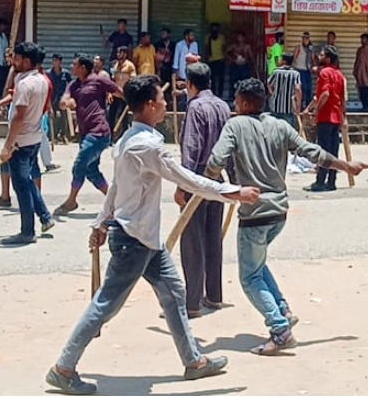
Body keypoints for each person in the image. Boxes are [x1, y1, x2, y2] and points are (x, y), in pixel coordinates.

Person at [43, 75, 258, 395]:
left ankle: (193, 361)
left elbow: (116, 187)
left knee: (174, 295)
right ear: (148, 105)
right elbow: (187, 179)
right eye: (160, 99)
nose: (164, 104)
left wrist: (102, 221)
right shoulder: (147, 145)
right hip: (133, 240)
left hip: (144, 238)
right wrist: (232, 191)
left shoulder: (129, 139)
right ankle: (64, 367)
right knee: (105, 306)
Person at [205, 76, 368, 355]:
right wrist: (346, 166)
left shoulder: (235, 125)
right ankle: (282, 308)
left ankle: (279, 329)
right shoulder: (280, 126)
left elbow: (215, 161)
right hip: (279, 213)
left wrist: (210, 184)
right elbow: (312, 152)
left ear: (243, 103)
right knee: (257, 265)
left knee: (249, 277)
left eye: (236, 101)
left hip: (254, 214)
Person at [176, 62, 233, 320]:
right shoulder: (223, 106)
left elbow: (192, 148)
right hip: (218, 180)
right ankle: (214, 295)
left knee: (192, 241)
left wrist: (183, 185)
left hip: (198, 178)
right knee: (213, 238)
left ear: (190, 84)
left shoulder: (195, 107)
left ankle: (192, 303)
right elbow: (231, 146)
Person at [0, 43, 55, 245]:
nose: (14, 62)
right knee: (27, 181)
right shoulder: (40, 80)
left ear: (27, 61)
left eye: (18, 59)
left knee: (21, 187)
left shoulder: (25, 84)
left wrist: (8, 146)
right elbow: (15, 96)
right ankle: (45, 216)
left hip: (21, 142)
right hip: (35, 139)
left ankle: (27, 231)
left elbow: (19, 118)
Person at [55, 55, 120, 215]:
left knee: (79, 164)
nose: (71, 66)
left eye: (75, 64)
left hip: (99, 132)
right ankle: (116, 202)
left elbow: (120, 92)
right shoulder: (73, 84)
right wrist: (66, 103)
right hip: (85, 133)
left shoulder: (99, 81)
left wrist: (137, 106)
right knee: (91, 170)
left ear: (83, 68)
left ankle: (71, 201)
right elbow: (63, 101)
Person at [303, 47, 348, 191]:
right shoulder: (339, 74)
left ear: (328, 58)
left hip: (326, 117)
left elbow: (325, 94)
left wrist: (315, 111)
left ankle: (320, 181)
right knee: (334, 150)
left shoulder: (324, 73)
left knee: (323, 150)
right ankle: (331, 181)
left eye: (321, 54)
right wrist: (343, 117)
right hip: (336, 117)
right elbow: (343, 98)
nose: (318, 56)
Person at [266, 52, 303, 131]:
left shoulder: (276, 72)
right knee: (288, 132)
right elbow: (297, 89)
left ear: (284, 61)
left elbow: (269, 84)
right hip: (289, 109)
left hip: (276, 107)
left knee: (275, 131)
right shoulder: (295, 74)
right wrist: (298, 107)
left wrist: (273, 93)